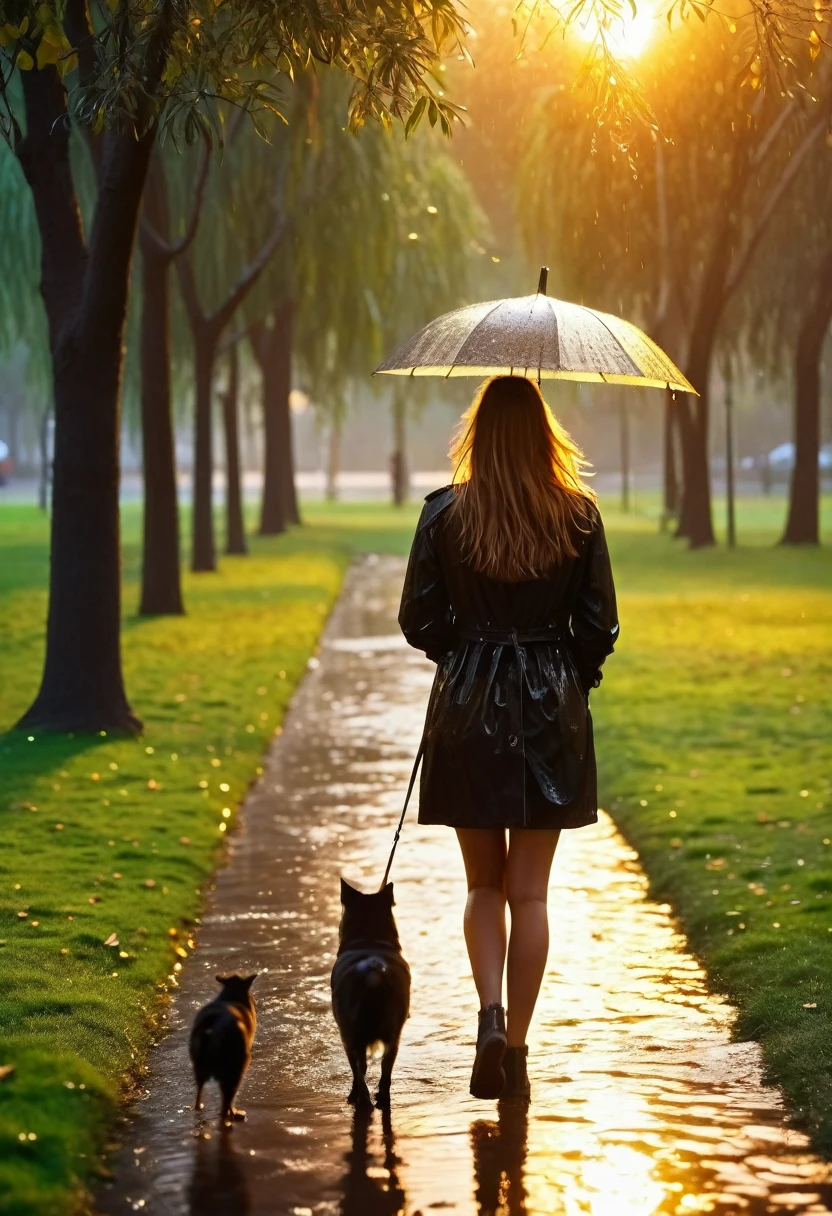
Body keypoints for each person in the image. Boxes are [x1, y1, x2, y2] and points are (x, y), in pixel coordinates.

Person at [398, 375, 619, 1104]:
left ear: (479, 433)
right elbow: (598, 629)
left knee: (482, 885)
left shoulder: (444, 515)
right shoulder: (578, 517)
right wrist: (564, 680)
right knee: (530, 893)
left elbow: (419, 620)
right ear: (543, 435)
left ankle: (486, 1014)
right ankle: (516, 1048)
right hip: (549, 708)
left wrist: (465, 659)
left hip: (467, 705)